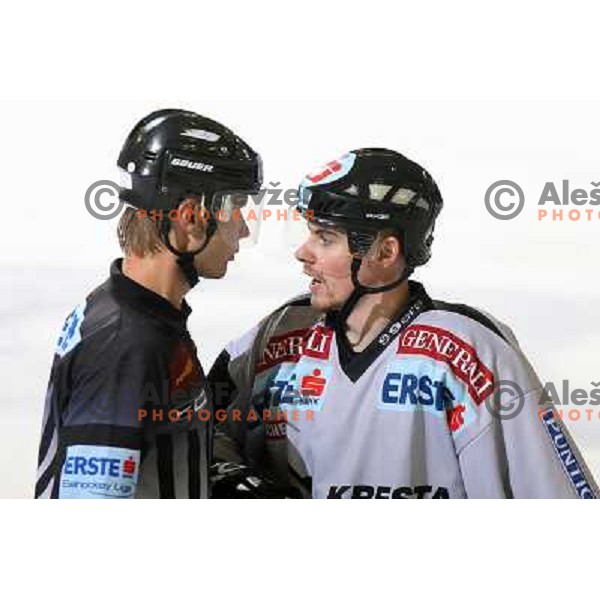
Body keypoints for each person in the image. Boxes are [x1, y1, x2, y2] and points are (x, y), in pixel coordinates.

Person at [209, 148, 599, 499]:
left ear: (385, 250)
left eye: (325, 238)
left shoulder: (466, 351)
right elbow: (197, 429)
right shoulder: (280, 337)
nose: (302, 253)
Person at [35, 108, 265, 498]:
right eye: (233, 208)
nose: (242, 227)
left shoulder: (147, 317)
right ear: (190, 219)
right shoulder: (127, 343)